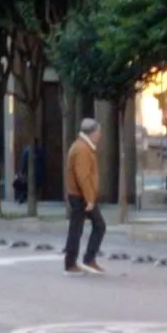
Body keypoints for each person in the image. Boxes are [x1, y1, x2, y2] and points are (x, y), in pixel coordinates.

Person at [65, 118, 106, 276]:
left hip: (80, 195)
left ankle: (82, 260)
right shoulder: (82, 149)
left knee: (79, 227)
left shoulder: (83, 147)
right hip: (81, 196)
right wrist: (90, 199)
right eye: (99, 132)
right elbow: (83, 176)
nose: (100, 135)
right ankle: (76, 262)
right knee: (93, 226)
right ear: (93, 132)